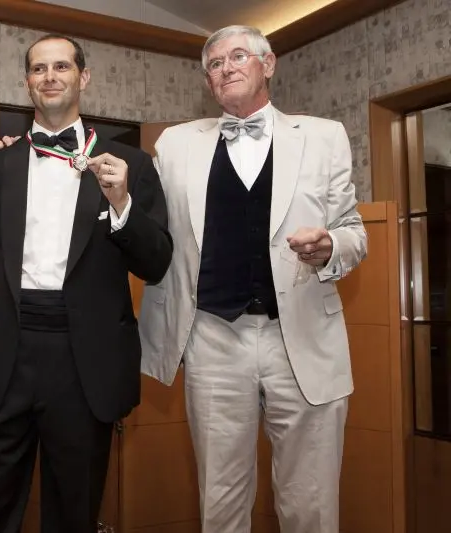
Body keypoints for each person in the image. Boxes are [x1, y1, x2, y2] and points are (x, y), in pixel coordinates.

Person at [138, 26, 367, 533]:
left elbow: (354, 231)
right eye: (215, 64)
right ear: (208, 81)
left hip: (303, 334)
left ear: (269, 64)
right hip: (212, 337)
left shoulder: (324, 136)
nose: (226, 68)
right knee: (220, 501)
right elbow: (143, 222)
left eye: (238, 56)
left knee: (310, 504)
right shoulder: (175, 144)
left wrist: (331, 246)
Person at [0, 34, 172, 533]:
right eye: (38, 69)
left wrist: (122, 204)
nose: (49, 77)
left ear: (83, 77)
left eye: (61, 67)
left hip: (84, 362)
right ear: (27, 82)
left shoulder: (131, 165)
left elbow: (157, 263)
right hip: (2, 356)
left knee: (75, 512)